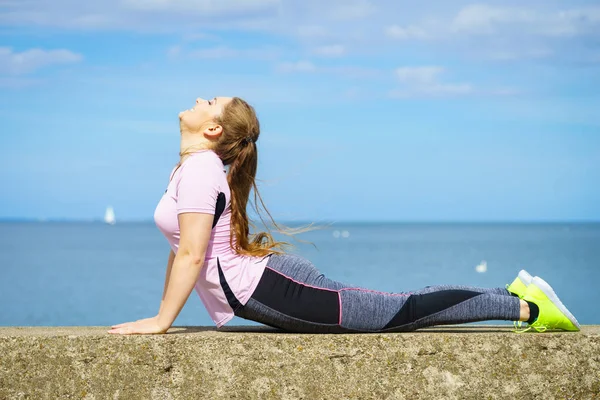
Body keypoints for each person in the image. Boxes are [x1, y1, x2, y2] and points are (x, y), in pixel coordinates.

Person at [107, 97, 581, 335]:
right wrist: (161, 314)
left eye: (208, 101)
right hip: (266, 283)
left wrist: (161, 321)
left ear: (211, 129)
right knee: (399, 306)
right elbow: (182, 249)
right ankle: (513, 293)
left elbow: (192, 254)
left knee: (401, 312)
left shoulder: (200, 171)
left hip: (272, 287)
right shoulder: (191, 170)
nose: (198, 97)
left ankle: (528, 306)